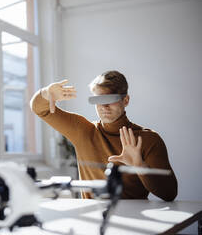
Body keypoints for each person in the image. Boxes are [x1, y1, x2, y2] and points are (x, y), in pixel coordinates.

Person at [30, 70, 177, 201]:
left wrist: (139, 165)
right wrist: (46, 93)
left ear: (125, 100)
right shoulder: (83, 131)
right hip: (92, 222)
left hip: (133, 223)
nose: (104, 106)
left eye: (110, 100)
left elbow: (169, 194)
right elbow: (40, 109)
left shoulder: (148, 140)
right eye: (98, 100)